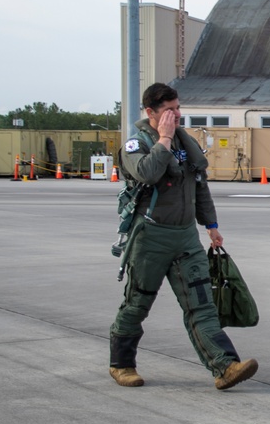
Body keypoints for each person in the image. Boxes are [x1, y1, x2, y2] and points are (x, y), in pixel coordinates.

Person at [109, 83, 258, 390]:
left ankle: (225, 367)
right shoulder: (135, 146)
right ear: (151, 112)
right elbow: (148, 174)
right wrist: (163, 139)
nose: (176, 115)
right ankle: (121, 364)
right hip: (150, 237)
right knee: (137, 304)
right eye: (169, 111)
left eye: (178, 108)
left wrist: (211, 225)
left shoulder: (185, 144)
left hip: (185, 237)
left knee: (201, 304)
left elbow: (199, 186)